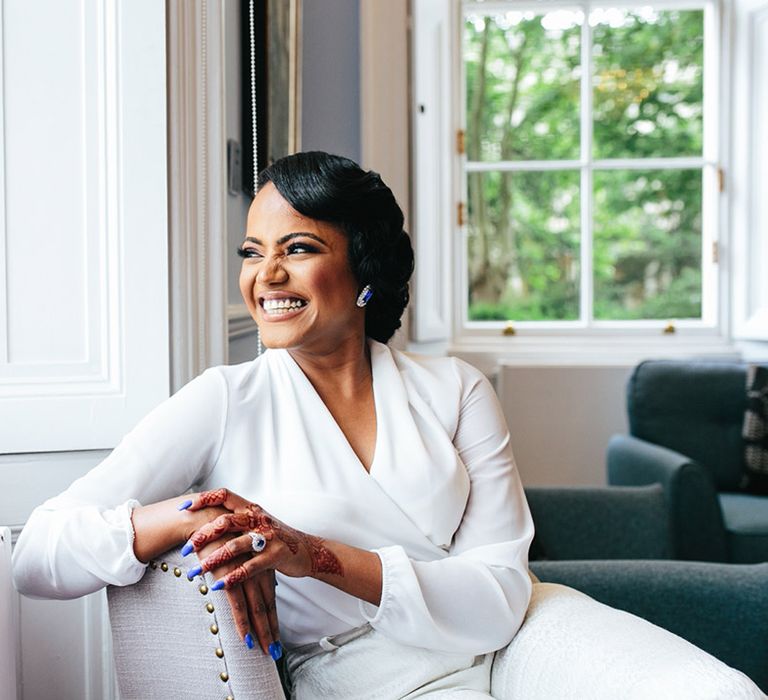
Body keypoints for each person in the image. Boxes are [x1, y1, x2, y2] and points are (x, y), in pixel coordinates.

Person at [12, 151, 534, 698]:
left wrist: (311, 554)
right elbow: (39, 555)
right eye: (252, 253)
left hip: (486, 670)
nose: (267, 275)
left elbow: (500, 595)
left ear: (366, 268)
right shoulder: (226, 399)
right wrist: (195, 513)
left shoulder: (456, 389)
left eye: (299, 248)